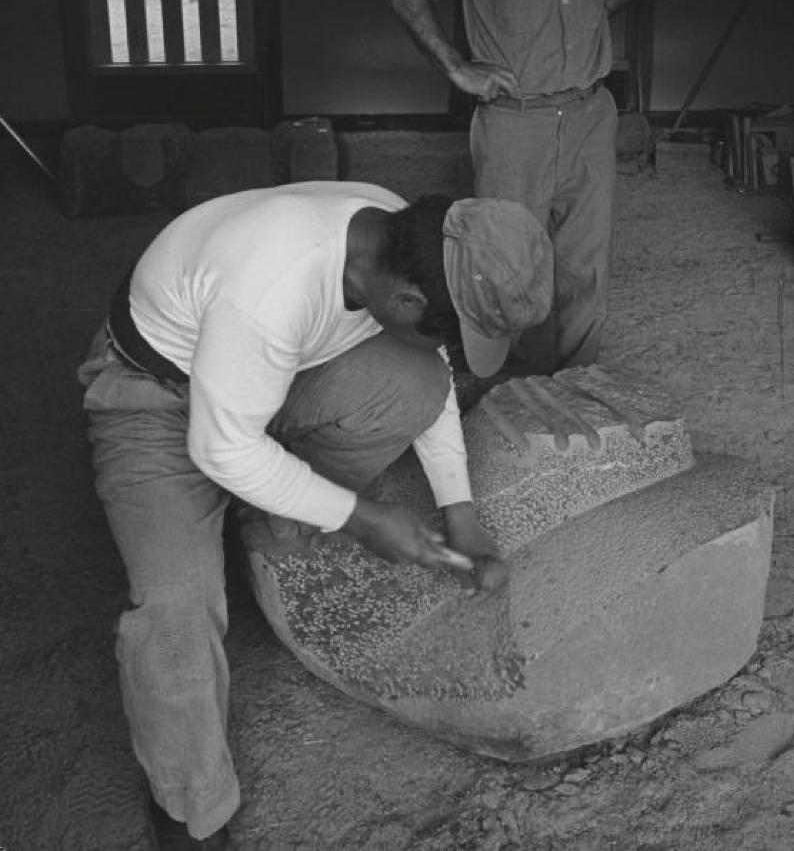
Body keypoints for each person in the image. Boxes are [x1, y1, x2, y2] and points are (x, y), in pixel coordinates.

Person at [77, 182, 553, 851]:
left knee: (417, 380)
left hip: (264, 375)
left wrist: (461, 509)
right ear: (405, 300)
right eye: (440, 325)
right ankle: (192, 811)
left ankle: (269, 518)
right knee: (176, 607)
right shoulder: (270, 290)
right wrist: (360, 516)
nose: (440, 338)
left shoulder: (402, 237)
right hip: (156, 394)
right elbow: (220, 446)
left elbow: (431, 366)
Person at [392, 0, 652, 374]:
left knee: (586, 264)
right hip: (514, 123)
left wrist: (592, 17)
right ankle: (523, 390)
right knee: (509, 261)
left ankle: (580, 383)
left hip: (589, 114)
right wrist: (456, 66)